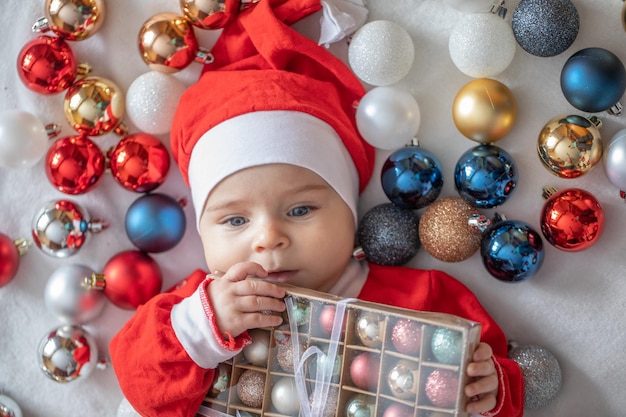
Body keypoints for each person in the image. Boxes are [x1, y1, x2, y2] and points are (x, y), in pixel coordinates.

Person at [109, 0, 524, 416]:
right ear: (202, 231)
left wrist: (487, 391)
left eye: (301, 210)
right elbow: (139, 382)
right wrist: (202, 326)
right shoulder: (195, 309)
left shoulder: (416, 299)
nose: (269, 238)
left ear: (350, 209)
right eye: (235, 219)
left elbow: (493, 375)